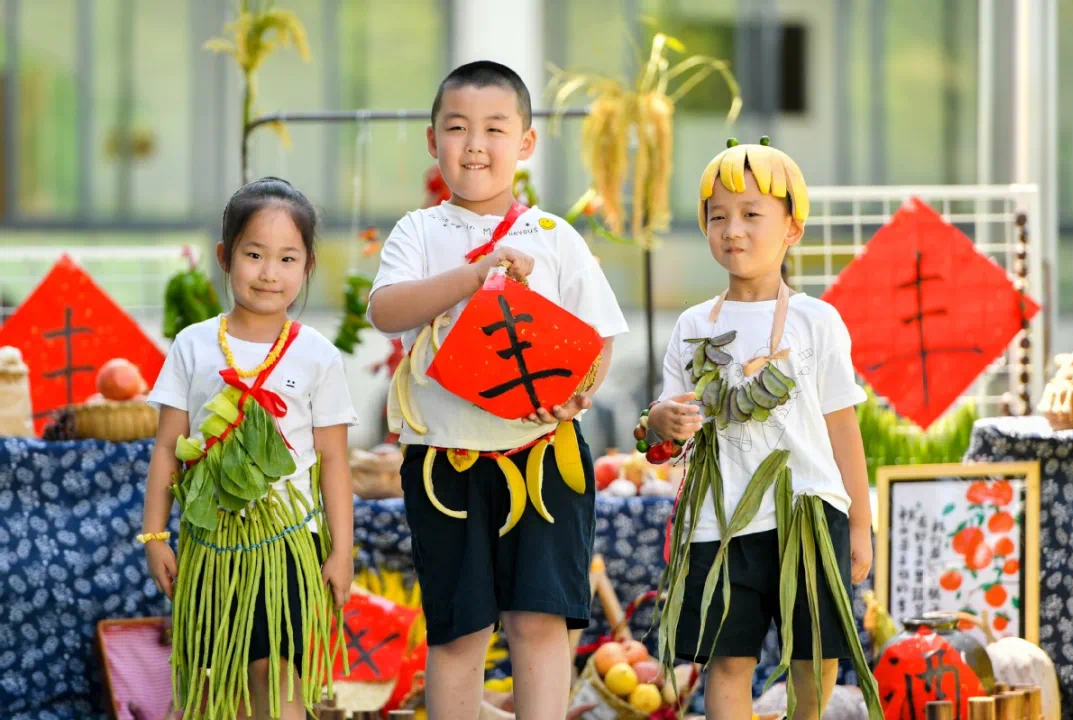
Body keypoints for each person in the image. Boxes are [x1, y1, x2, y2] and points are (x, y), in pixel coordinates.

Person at [368, 60, 628, 720]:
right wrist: (477, 272)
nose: (475, 145)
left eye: (494, 128)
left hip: (544, 458)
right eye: (457, 128)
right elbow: (387, 310)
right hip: (443, 464)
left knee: (539, 625)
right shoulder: (419, 233)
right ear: (433, 141)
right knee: (459, 633)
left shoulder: (555, 237)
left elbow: (598, 339)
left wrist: (578, 393)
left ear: (527, 143)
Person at [648, 138, 883, 720]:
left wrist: (860, 524)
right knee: (727, 662)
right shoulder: (692, 324)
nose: (734, 229)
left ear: (792, 229)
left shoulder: (816, 320)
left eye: (753, 214)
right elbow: (667, 441)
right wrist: (658, 422)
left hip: (807, 512)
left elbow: (841, 426)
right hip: (719, 521)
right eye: (718, 216)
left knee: (816, 654)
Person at [141, 177, 358, 720]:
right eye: (254, 254)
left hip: (290, 543)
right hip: (211, 544)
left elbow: (334, 462)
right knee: (221, 673)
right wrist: (155, 535)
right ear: (225, 256)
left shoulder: (318, 356)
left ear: (307, 266)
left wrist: (342, 551)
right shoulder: (193, 344)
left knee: (281, 669)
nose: (268, 272)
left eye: (287, 258)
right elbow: (167, 448)